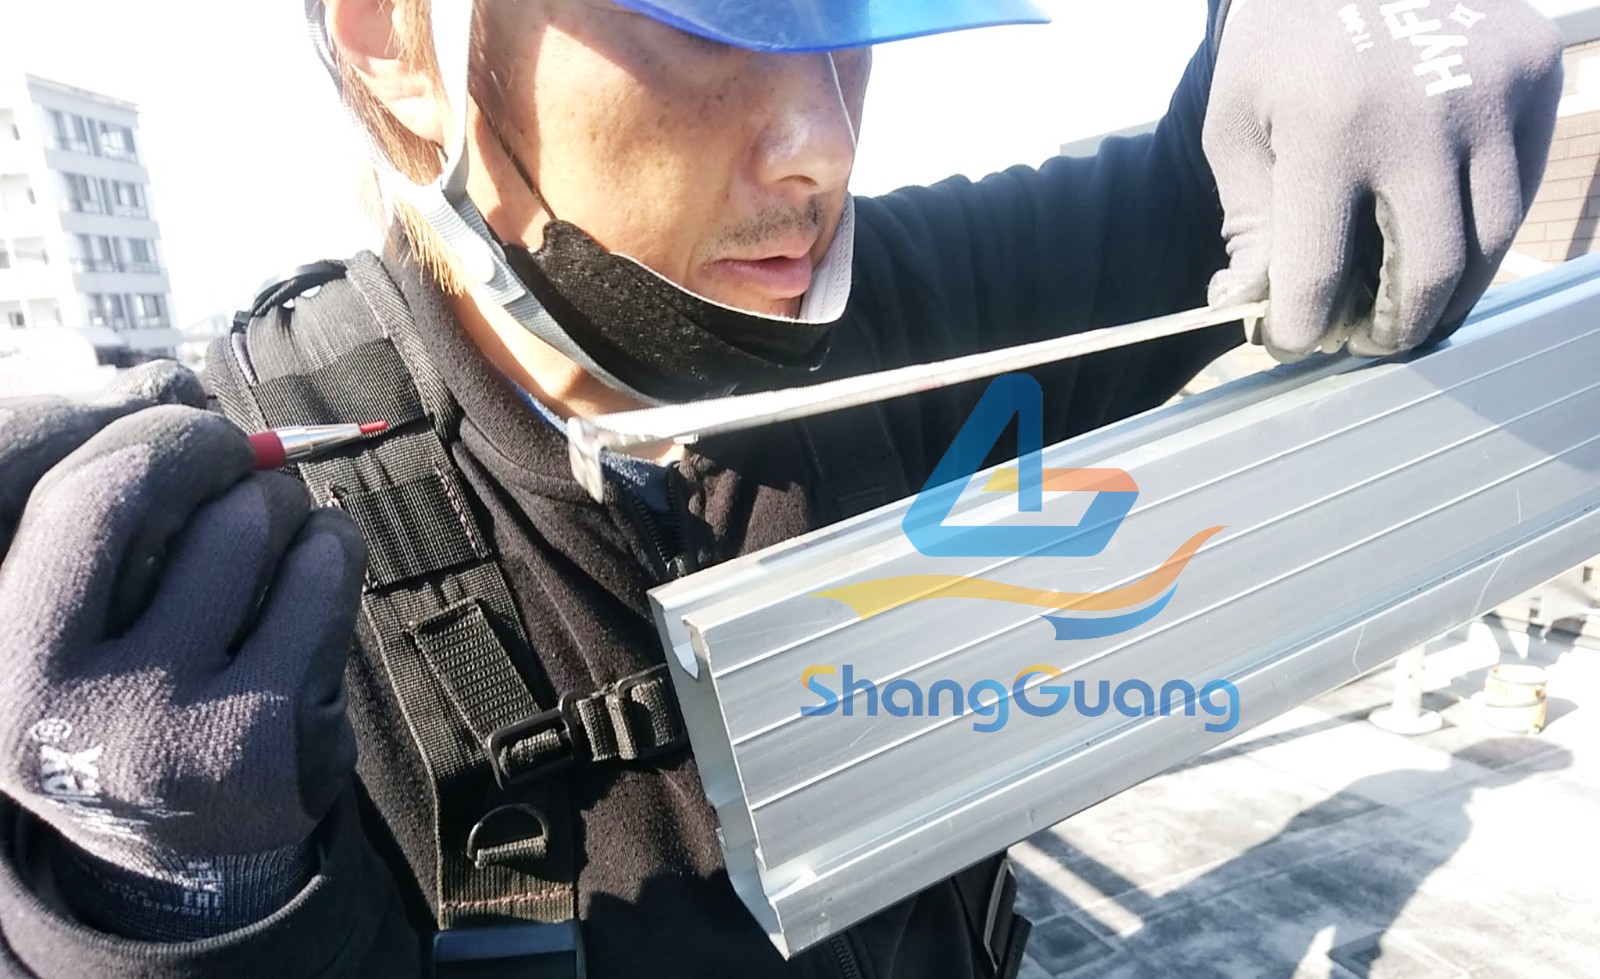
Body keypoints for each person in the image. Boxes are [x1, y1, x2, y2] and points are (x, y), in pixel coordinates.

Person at [0, 0, 1563, 976]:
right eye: (713, 21)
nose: (820, 144)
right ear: (398, 47)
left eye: (845, 12)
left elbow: (1201, 184)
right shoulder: (235, 584)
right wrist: (167, 914)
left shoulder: (902, 314)